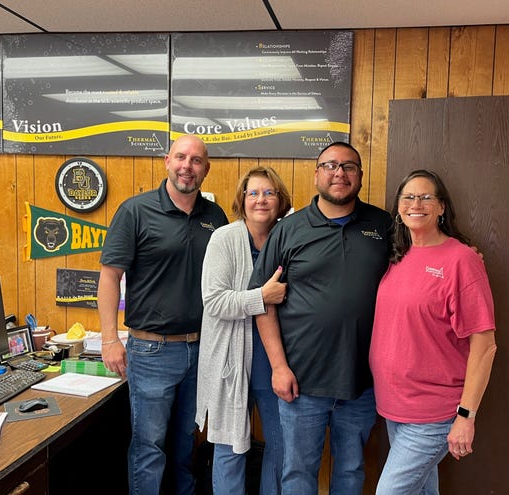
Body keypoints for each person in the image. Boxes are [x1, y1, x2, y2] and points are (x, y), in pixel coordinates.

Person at [248, 142, 392, 495]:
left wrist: (466, 249)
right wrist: (279, 368)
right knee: (298, 474)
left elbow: (421, 257)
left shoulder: (383, 225)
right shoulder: (289, 230)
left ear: (359, 175)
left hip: (362, 381)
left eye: (349, 166)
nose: (339, 173)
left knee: (351, 470)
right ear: (317, 175)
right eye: (330, 165)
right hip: (301, 382)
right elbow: (263, 303)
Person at [98, 134, 228, 495]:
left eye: (197, 160)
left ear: (206, 169)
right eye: (181, 158)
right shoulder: (135, 211)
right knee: (149, 446)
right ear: (167, 161)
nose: (188, 166)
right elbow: (110, 277)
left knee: (188, 444)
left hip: (203, 350)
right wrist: (110, 339)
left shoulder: (215, 217)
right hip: (152, 351)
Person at [369, 169, 497, 495]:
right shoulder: (398, 255)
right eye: (409, 197)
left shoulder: (461, 260)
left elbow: (484, 346)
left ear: (442, 207)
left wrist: (466, 416)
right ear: (398, 206)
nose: (417, 203)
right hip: (395, 406)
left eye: (426, 197)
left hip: (434, 412)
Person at [196, 166, 293, 495]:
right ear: (242, 199)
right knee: (230, 447)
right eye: (253, 193)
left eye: (269, 193)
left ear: (280, 201)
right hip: (231, 361)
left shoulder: (289, 238)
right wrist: (261, 297)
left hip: (276, 362)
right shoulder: (223, 238)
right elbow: (215, 302)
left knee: (282, 448)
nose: (261, 200)